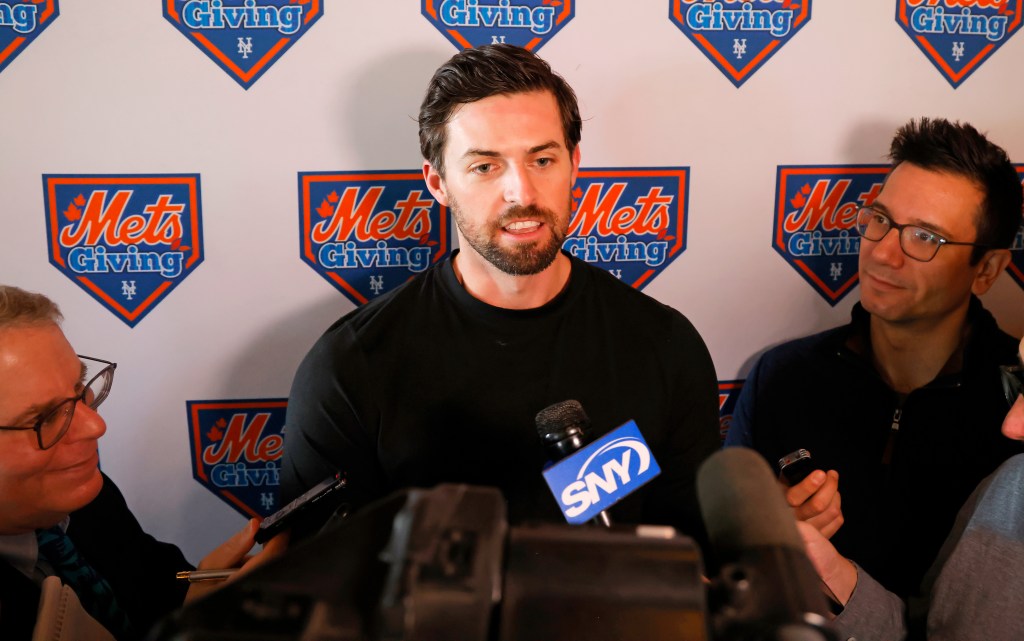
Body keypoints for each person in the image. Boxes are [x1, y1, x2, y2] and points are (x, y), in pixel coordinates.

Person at [281, 44, 720, 539]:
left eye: (543, 159)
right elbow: (320, 572)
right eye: (485, 166)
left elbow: (693, 552)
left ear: (574, 163)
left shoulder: (664, 345)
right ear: (437, 182)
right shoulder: (350, 367)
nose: (522, 193)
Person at [725, 117, 1023, 599]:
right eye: (881, 219)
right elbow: (730, 562)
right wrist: (771, 535)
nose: (883, 253)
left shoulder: (1018, 408)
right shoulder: (781, 376)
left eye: (925, 237)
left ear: (987, 269)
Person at [0, 285, 284, 641]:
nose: (95, 425)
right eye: (46, 417)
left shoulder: (80, 495)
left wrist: (203, 587)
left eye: (79, 387)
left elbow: (156, 582)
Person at [798, 337, 1024, 641]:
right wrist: (834, 577)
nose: (1012, 426)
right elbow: (929, 630)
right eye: (1021, 381)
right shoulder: (1012, 486)